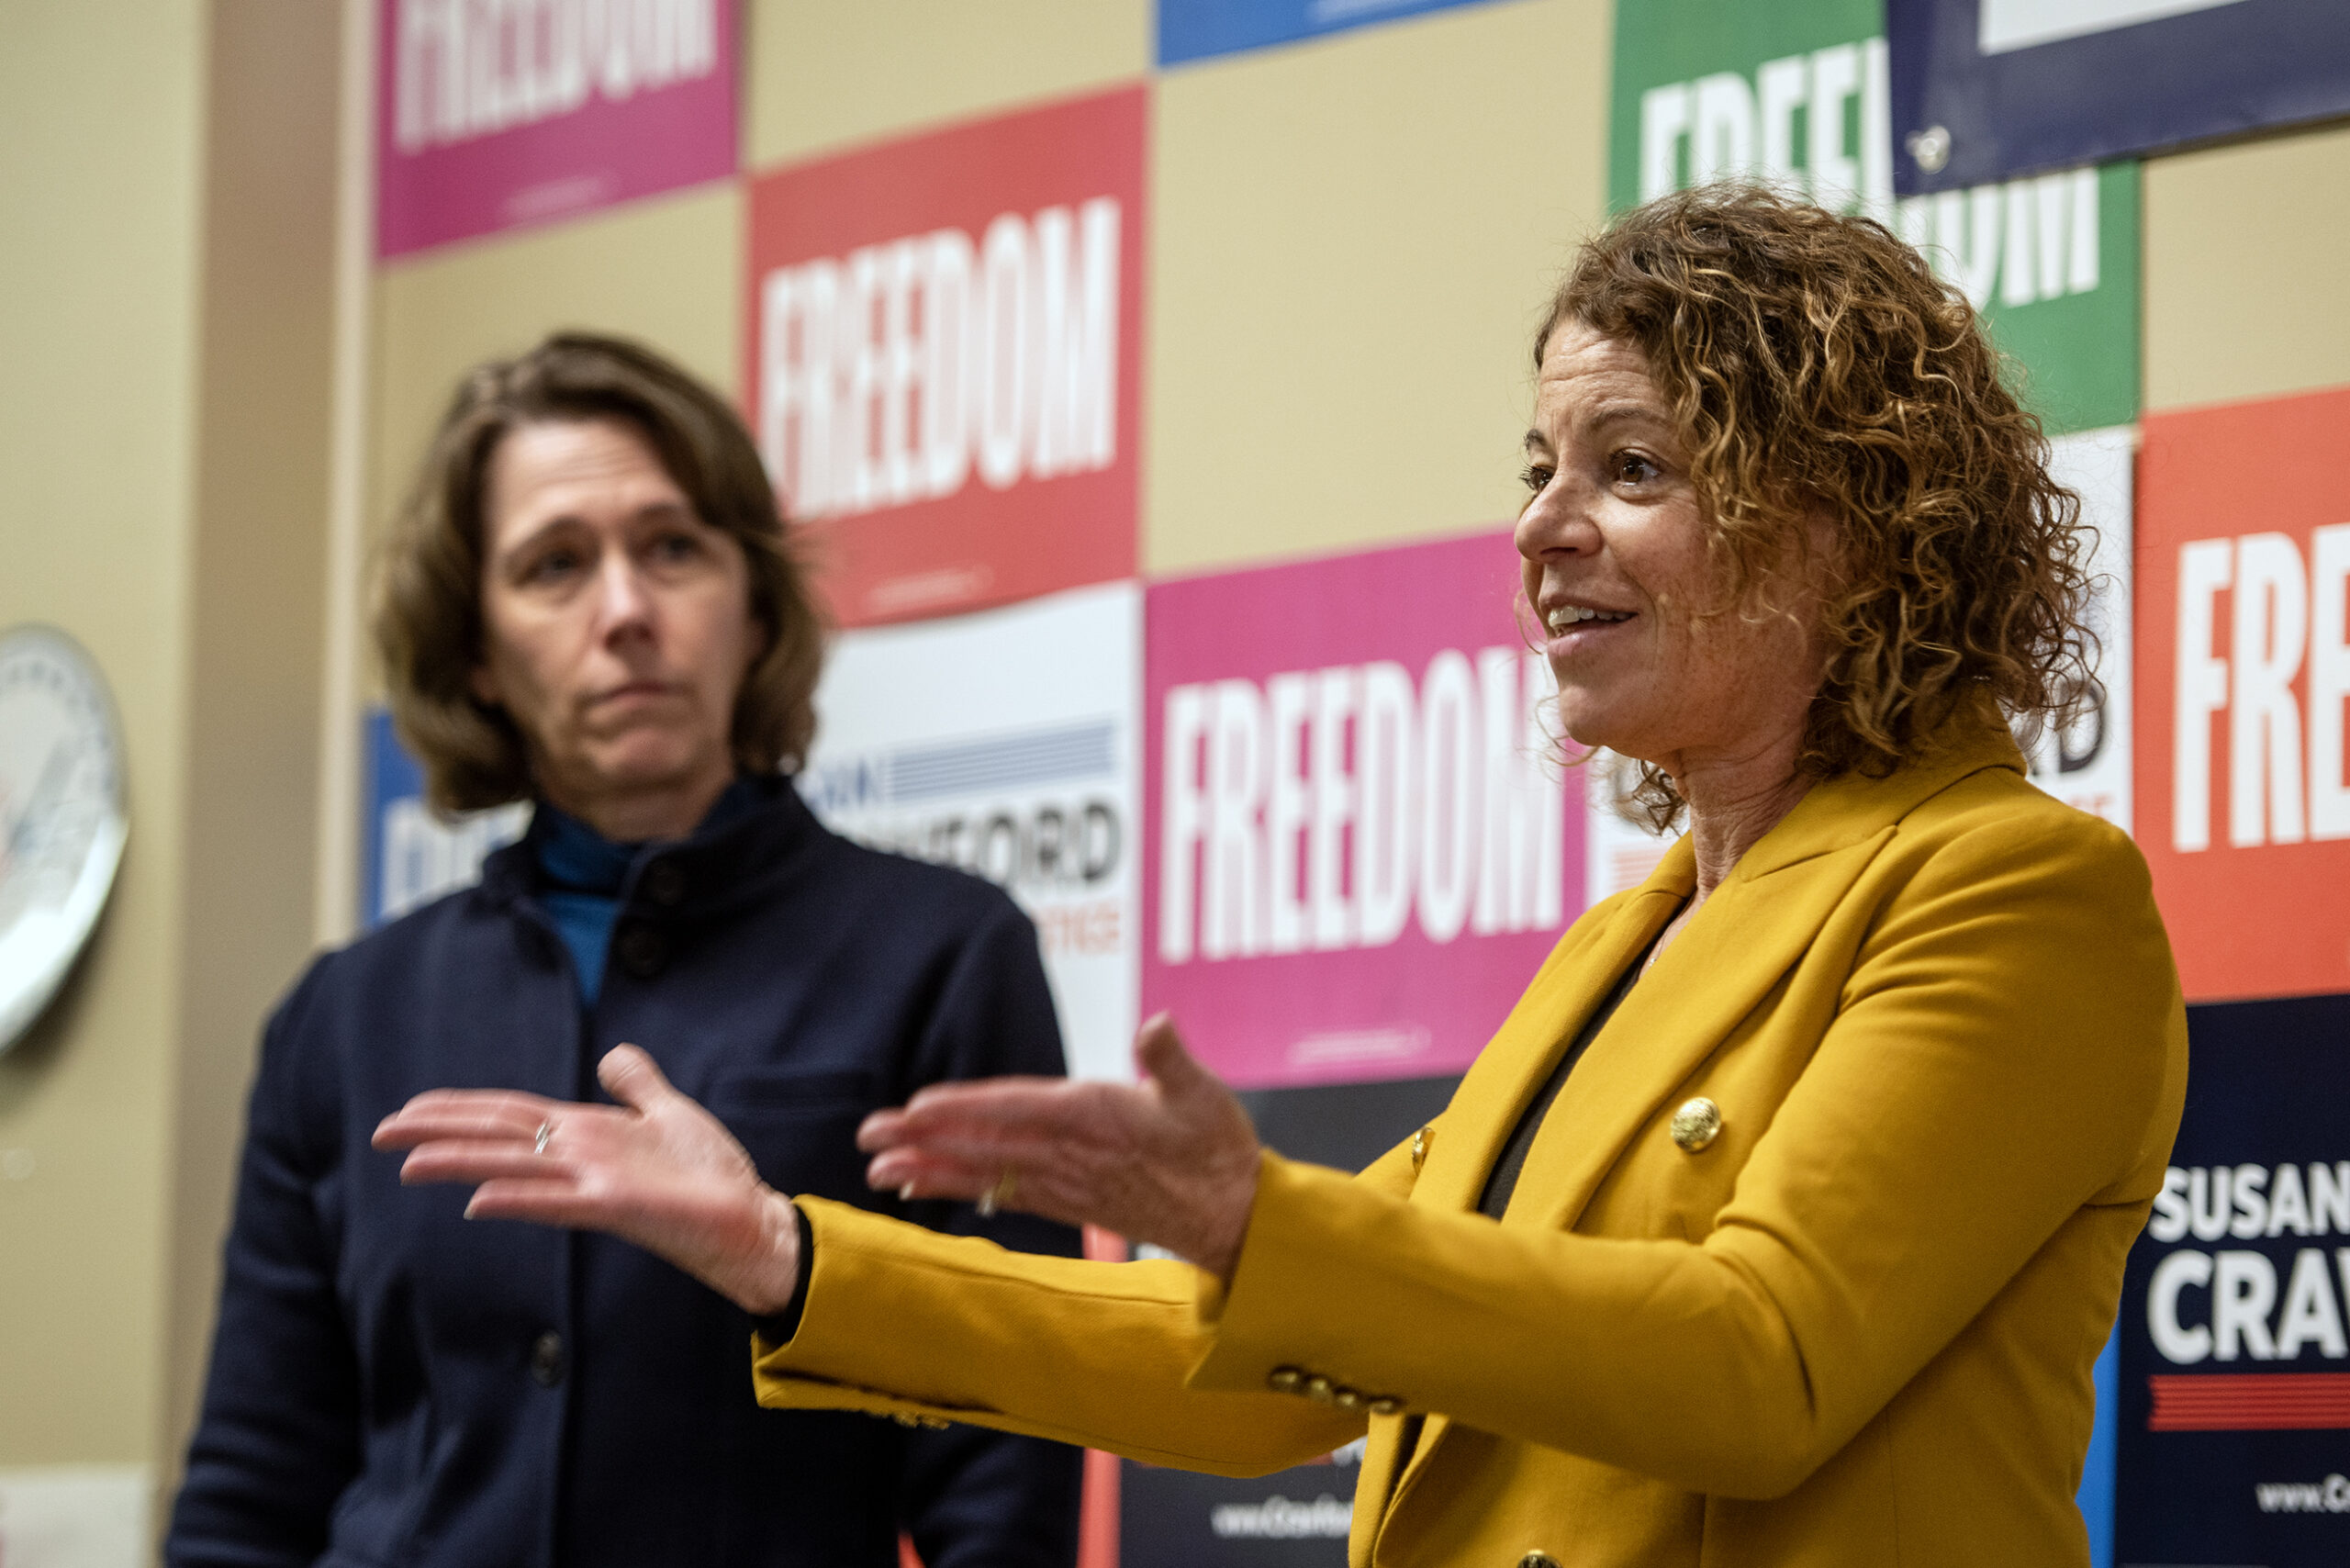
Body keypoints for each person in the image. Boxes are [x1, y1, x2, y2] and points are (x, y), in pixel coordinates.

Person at [376, 193, 2188, 1565]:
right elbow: (1251, 1356)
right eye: (1537, 465)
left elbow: (1755, 1358)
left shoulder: (2014, 890)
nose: (1542, 527)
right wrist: (783, 1253)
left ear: (1851, 529)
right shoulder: (1622, 943)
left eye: (1631, 467)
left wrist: (1264, 1225)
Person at [167, 333, 1084, 1568]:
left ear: (752, 607)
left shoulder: (942, 956)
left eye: (672, 548)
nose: (626, 612)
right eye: (555, 566)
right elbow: (252, 1488)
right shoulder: (344, 1016)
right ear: (479, 655)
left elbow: (1006, 1480)